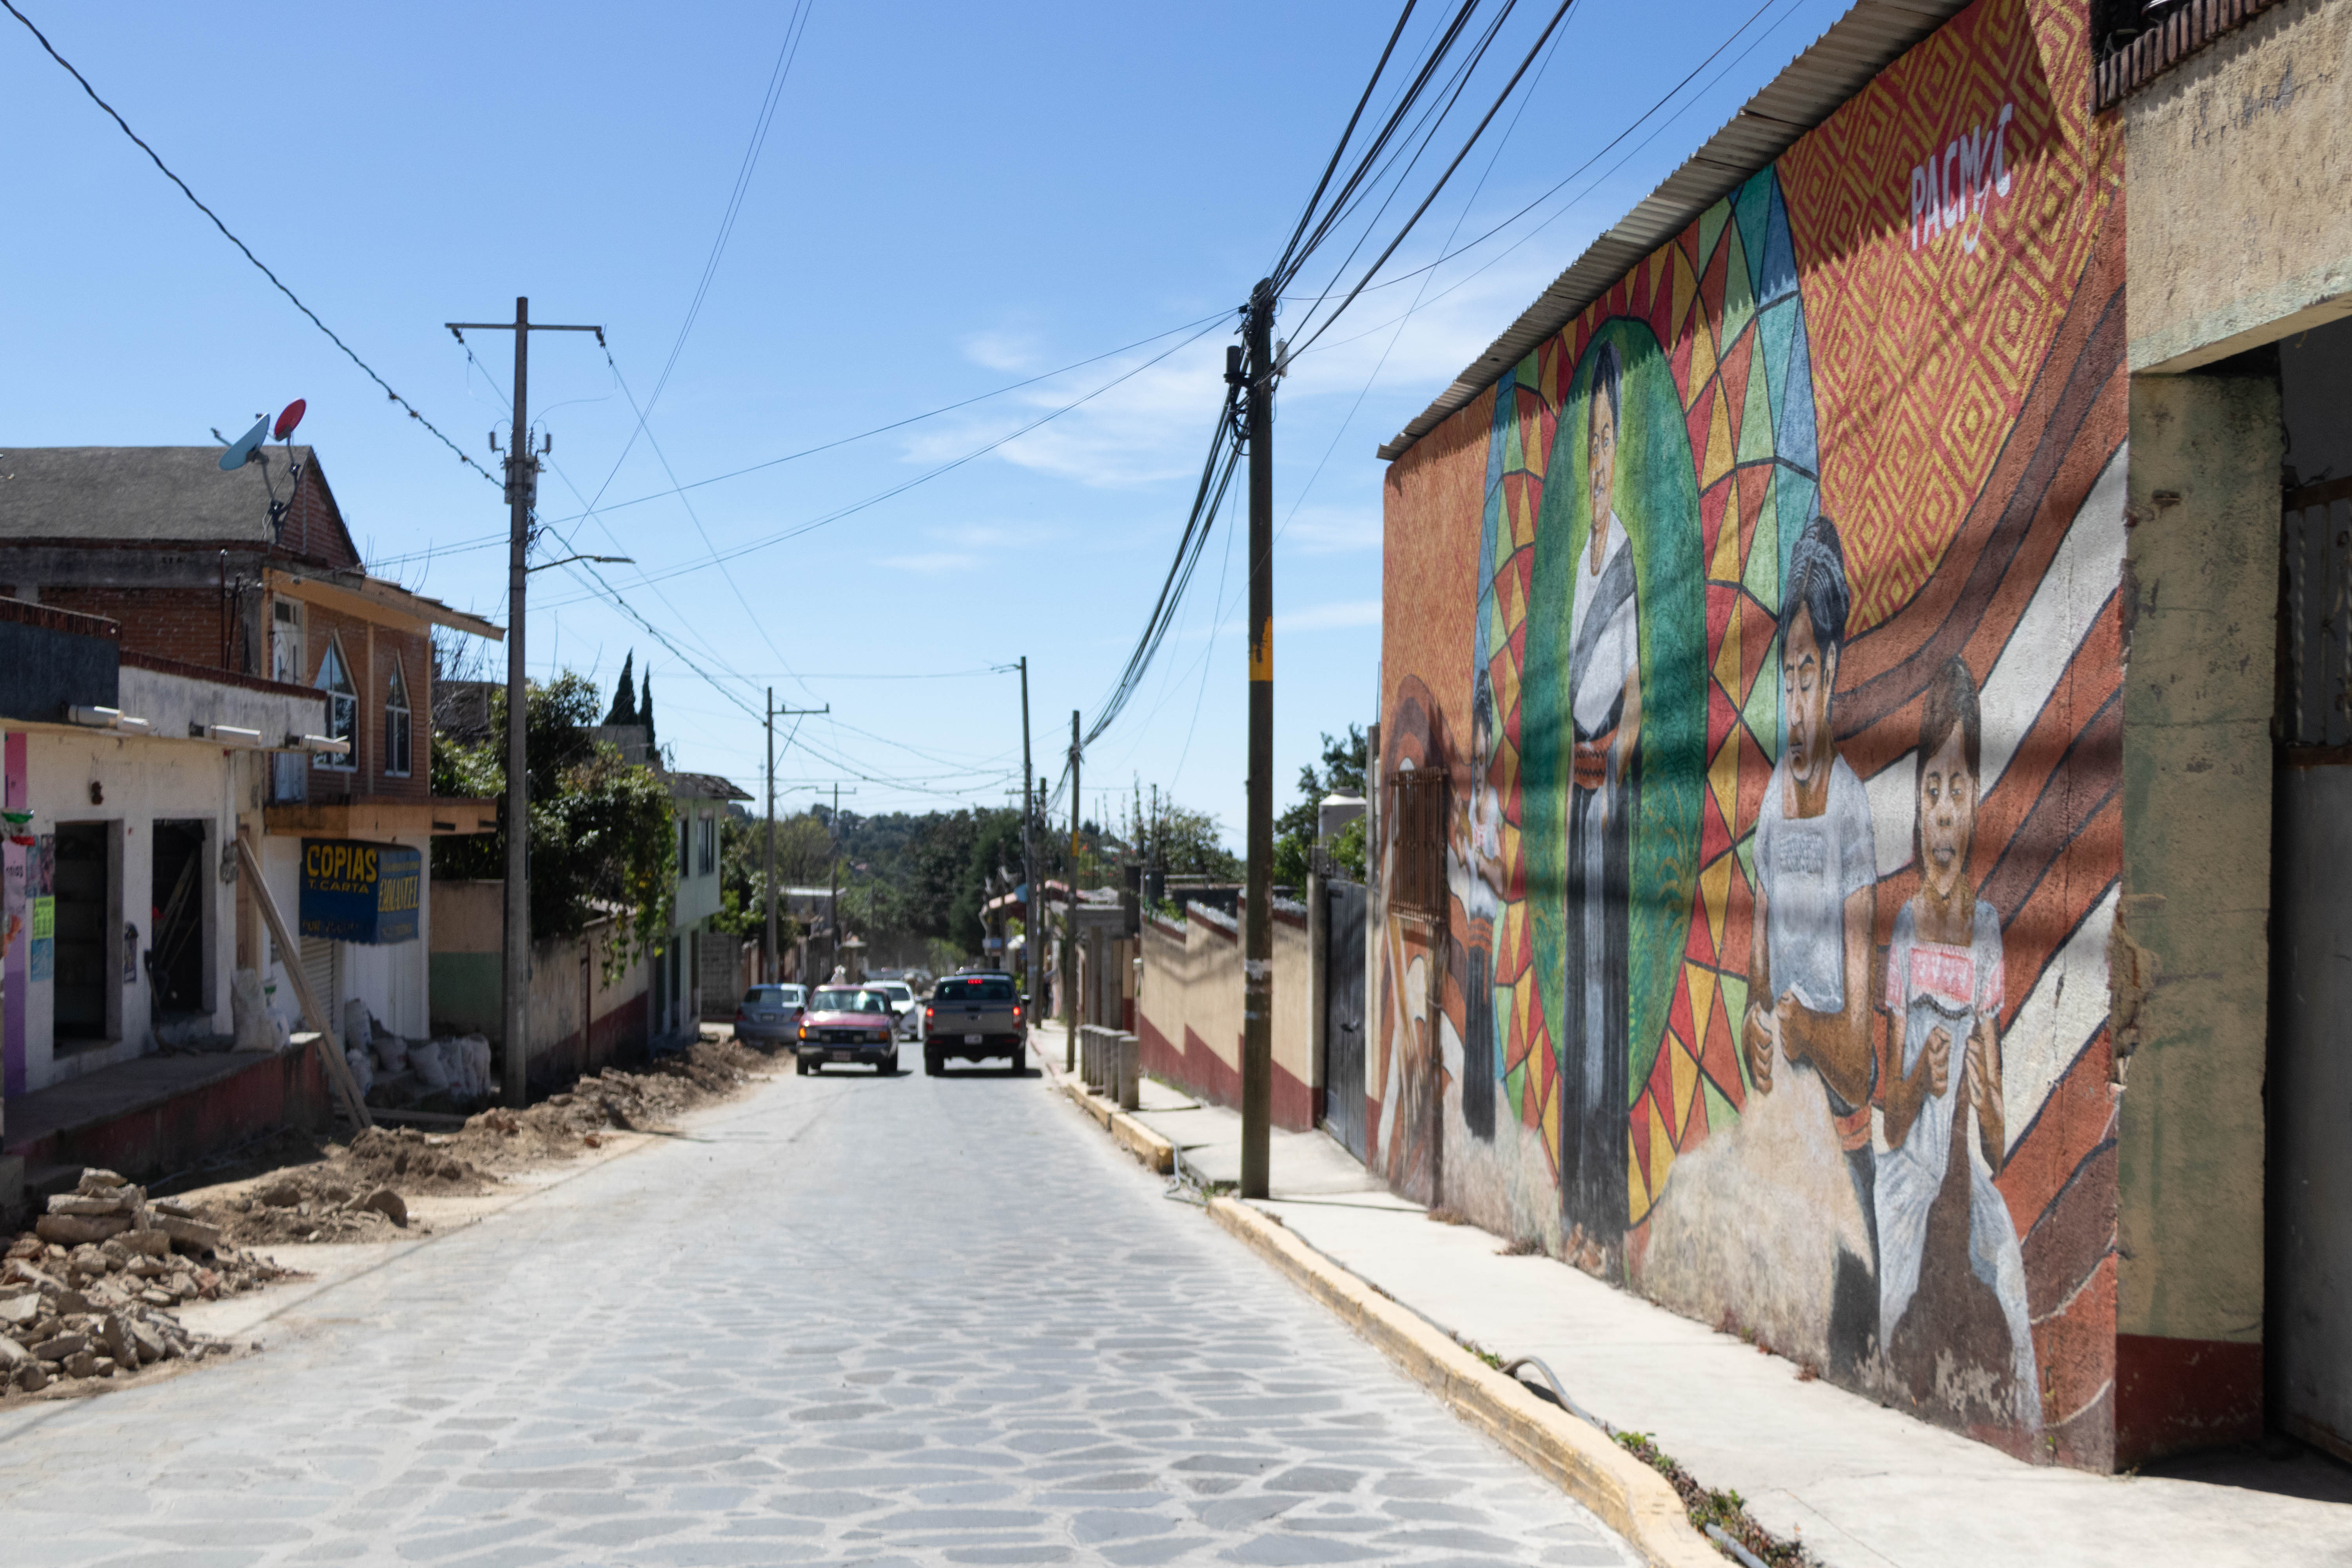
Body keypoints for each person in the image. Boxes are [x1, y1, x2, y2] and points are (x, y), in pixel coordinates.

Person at [1875, 657, 2040, 1434]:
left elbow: (1999, 1147)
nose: (1943, 807)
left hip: (1967, 1171)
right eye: (1930, 788)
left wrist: (1988, 1095)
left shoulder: (1986, 933)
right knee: (1898, 1285)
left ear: (1977, 804)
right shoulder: (1906, 927)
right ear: (1918, 803)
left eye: (1958, 788)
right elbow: (1892, 1117)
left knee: (2007, 1274)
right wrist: (1918, 1077)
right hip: (1910, 1177)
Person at [1744, 513, 1879, 1366]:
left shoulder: (1852, 808)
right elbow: (1756, 975)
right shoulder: (1765, 804)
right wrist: (1761, 1029)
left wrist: (1804, 1030)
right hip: (1787, 1124)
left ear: (1831, 670)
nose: (1795, 701)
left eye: (1807, 675)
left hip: (1844, 1124)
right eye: (1784, 681)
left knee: (1850, 1330)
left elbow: (1861, 1043)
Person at [1561, 341, 1642, 1271]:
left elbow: (1638, 689)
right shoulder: (1579, 569)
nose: (1596, 453)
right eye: (1588, 434)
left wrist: (1610, 770)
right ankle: (1577, 1210)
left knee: (1601, 1001)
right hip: (1574, 803)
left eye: (1609, 434)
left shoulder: (1622, 556)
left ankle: (1605, 1216)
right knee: (1574, 1011)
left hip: (1609, 807)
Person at [1448, 671, 1506, 1142]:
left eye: (1486, 757)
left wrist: (1480, 856)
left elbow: (1502, 877)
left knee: (1485, 1023)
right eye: (1475, 758)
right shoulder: (1472, 809)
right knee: (1473, 1023)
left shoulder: (1495, 806)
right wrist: (1464, 848)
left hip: (1489, 928)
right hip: (1473, 927)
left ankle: (1484, 1119)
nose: (1480, 766)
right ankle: (1474, 1115)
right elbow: (1470, 866)